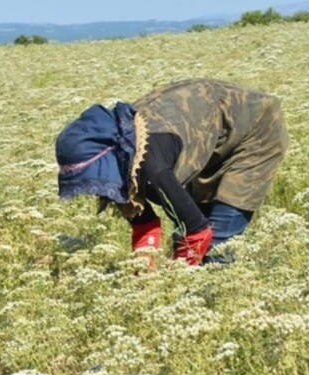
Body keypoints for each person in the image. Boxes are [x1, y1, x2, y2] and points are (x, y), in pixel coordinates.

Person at [55, 79, 289, 266]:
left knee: (216, 246)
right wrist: (140, 273)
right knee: (186, 230)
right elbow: (145, 226)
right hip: (207, 129)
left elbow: (198, 232)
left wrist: (173, 285)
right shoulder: (120, 155)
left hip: (254, 130)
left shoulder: (151, 167)